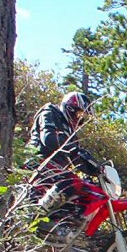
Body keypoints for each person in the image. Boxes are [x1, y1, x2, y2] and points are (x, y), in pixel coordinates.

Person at [25, 91, 103, 227]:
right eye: (79, 114)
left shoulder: (71, 132)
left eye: (83, 117)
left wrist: (96, 170)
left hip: (53, 169)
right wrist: (73, 148)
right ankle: (35, 216)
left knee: (85, 187)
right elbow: (48, 138)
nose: (80, 120)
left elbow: (76, 158)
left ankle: (62, 222)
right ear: (70, 108)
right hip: (37, 162)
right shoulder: (50, 112)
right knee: (71, 182)